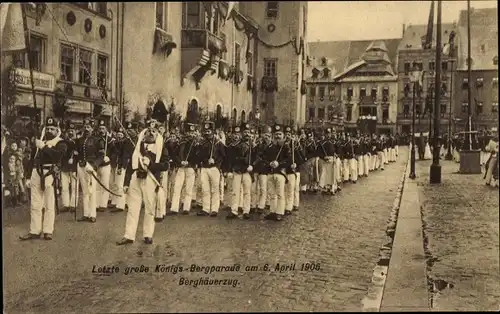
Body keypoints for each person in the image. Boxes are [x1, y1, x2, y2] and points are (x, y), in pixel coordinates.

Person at [116, 112, 169, 246]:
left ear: (157, 133)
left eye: (154, 131)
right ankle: (128, 235)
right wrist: (126, 183)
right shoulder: (137, 147)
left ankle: (148, 234)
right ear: (143, 133)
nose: (150, 133)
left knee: (150, 208)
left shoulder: (162, 148)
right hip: (135, 179)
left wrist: (151, 164)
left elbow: (166, 165)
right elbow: (130, 166)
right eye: (148, 131)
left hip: (150, 180)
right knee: (133, 208)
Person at [20, 117, 67, 241]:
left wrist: (44, 147)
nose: (50, 131)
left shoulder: (61, 142)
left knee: (49, 204)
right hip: (36, 172)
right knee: (35, 204)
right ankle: (34, 230)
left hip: (49, 173)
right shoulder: (40, 141)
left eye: (52, 129)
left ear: (57, 130)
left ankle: (47, 230)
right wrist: (28, 176)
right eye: (48, 128)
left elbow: (57, 156)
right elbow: (32, 160)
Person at [75, 119, 104, 223]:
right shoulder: (79, 140)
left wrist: (95, 165)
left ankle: (93, 214)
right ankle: (86, 214)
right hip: (81, 166)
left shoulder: (97, 140)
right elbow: (77, 153)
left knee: (92, 190)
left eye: (89, 127)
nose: (86, 129)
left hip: (91, 166)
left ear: (93, 128)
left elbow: (101, 156)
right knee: (85, 191)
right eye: (85, 127)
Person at [168, 122, 198, 215]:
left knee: (189, 188)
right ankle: (174, 208)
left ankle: (186, 208)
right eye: (189, 132)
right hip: (181, 167)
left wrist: (190, 162)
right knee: (177, 187)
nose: (190, 134)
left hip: (190, 168)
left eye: (192, 132)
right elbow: (175, 154)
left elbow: (197, 156)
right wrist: (179, 162)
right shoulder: (181, 142)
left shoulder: (196, 144)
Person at [197, 121, 225, 217]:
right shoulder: (202, 143)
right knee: (205, 189)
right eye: (206, 131)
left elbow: (223, 156)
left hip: (214, 169)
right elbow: (199, 155)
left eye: (209, 131)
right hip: (204, 168)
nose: (207, 133)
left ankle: (214, 209)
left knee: (215, 189)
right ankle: (205, 208)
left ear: (213, 132)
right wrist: (202, 161)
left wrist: (217, 163)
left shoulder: (218, 143)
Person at [60, 122, 79, 213]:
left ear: (75, 131)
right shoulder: (62, 142)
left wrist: (76, 155)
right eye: (69, 131)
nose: (70, 133)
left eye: (72, 130)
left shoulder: (78, 142)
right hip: (64, 167)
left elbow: (80, 154)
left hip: (74, 167)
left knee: (74, 187)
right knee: (64, 186)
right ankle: (66, 204)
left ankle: (73, 204)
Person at [95, 119, 114, 212]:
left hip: (106, 165)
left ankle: (103, 204)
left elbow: (115, 152)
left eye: (103, 128)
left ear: (106, 130)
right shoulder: (95, 139)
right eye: (100, 128)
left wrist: (109, 157)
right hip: (97, 165)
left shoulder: (110, 140)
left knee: (105, 184)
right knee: (97, 185)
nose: (101, 130)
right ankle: (97, 203)